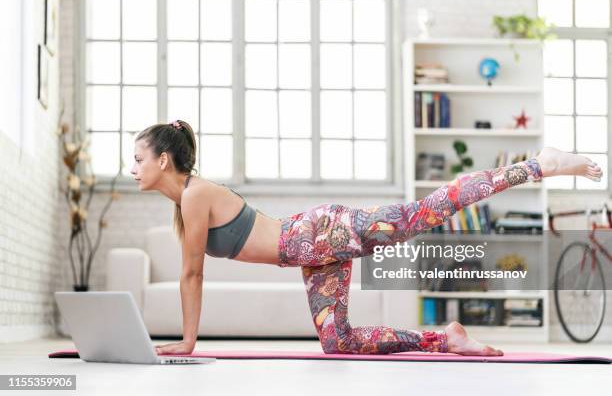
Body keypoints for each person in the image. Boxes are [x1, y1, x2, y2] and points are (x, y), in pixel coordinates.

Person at [131, 120, 603, 357]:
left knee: (427, 211)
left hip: (321, 232)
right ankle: (448, 339)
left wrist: (187, 341)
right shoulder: (185, 201)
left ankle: (541, 164)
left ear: (164, 161)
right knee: (338, 343)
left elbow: (193, 273)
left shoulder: (194, 195)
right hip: (313, 255)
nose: (133, 168)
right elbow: (193, 271)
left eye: (138, 159)